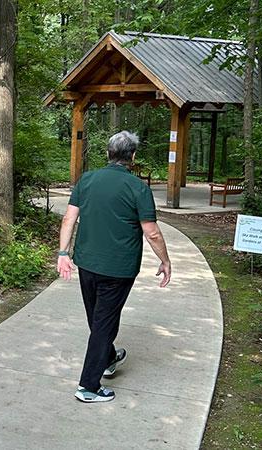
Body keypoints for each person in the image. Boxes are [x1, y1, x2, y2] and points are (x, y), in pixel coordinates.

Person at [57, 130, 171, 403]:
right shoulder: (138, 188)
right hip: (119, 268)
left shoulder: (87, 180)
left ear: (108, 154)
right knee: (103, 322)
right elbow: (152, 232)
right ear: (132, 157)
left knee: (98, 319)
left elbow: (68, 219)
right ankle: (88, 386)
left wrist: (63, 252)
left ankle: (108, 358)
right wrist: (165, 260)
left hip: (86, 263)